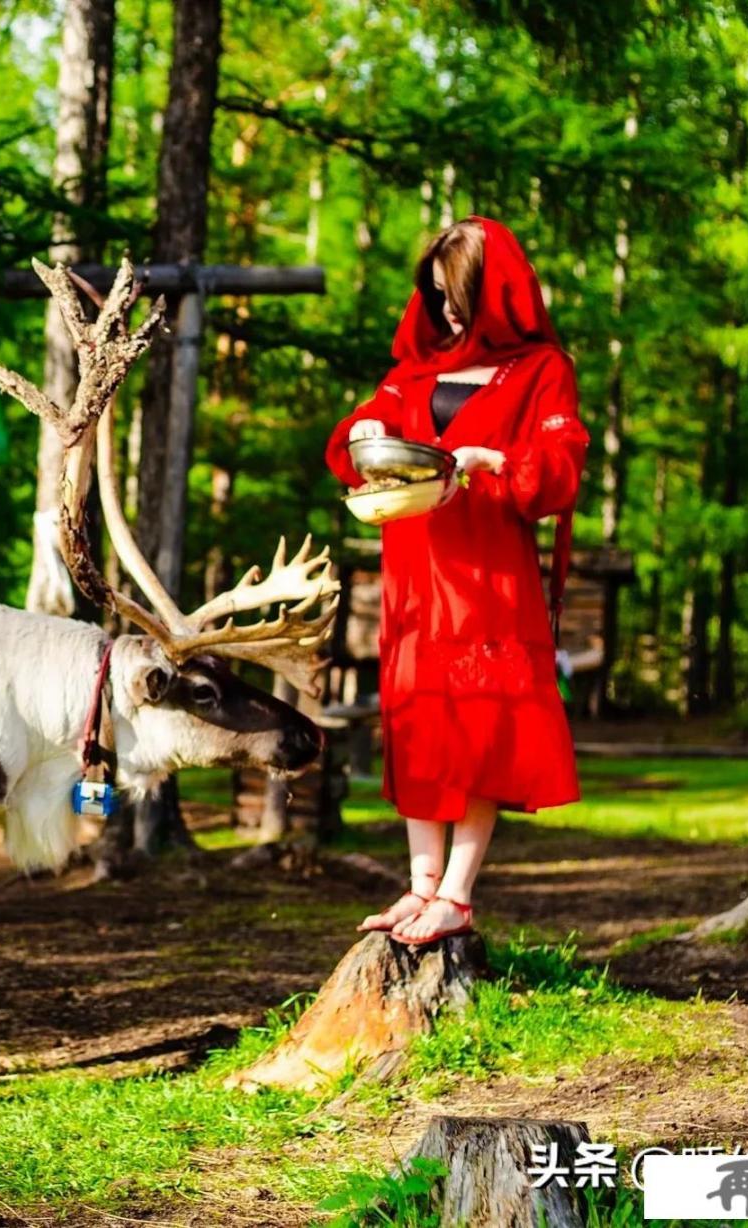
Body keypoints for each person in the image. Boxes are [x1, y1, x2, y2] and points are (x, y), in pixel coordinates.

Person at [323, 216, 588, 945]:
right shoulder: (413, 370)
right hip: (414, 575)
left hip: (487, 578)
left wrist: (494, 463)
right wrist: (356, 436)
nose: (444, 311)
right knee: (417, 720)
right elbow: (362, 434)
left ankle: (458, 896)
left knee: (480, 726)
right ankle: (418, 888)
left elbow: (559, 471)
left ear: (494, 291)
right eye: (435, 295)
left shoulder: (540, 370)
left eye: (457, 295)